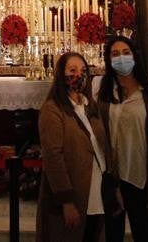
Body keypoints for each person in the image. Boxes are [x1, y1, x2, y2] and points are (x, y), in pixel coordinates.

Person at [94, 36, 148, 242]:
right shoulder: (101, 91)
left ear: (135, 57)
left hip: (139, 175)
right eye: (115, 54)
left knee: (144, 232)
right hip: (111, 176)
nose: (121, 58)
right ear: (109, 60)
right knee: (112, 233)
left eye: (126, 53)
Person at [37, 51, 116, 242]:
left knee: (92, 234)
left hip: (97, 190)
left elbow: (101, 146)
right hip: (75, 192)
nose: (78, 75)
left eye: (82, 71)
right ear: (61, 75)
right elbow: (53, 156)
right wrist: (66, 200)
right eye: (72, 70)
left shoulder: (90, 106)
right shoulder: (53, 109)